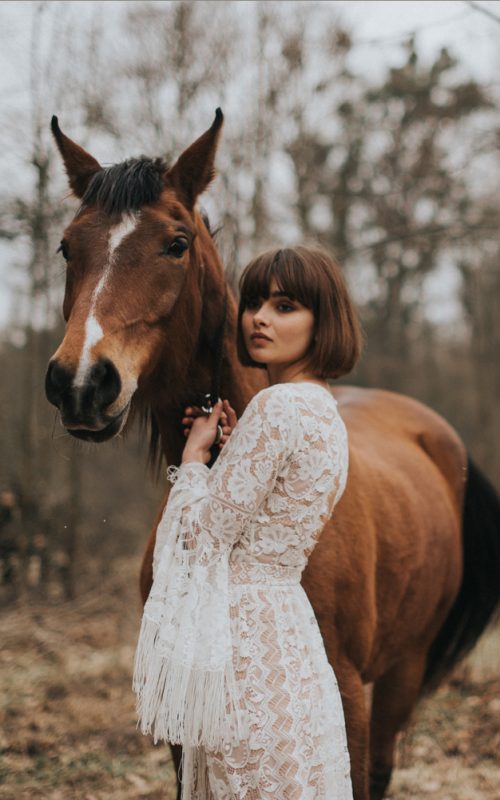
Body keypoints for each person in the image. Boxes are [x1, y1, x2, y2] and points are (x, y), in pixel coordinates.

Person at [134, 246, 362, 799]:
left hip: (244, 638)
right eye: (255, 301)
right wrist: (236, 453)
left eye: (285, 306)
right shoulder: (323, 410)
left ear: (322, 322)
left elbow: (201, 540)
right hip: (288, 629)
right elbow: (276, 510)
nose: (259, 317)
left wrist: (193, 460)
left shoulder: (276, 406)